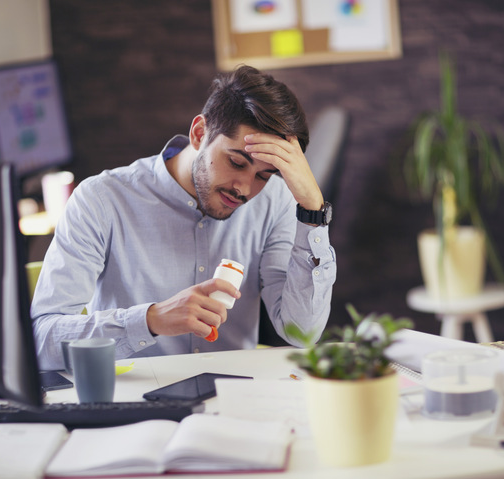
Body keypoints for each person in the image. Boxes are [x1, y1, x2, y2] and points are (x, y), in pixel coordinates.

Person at [31, 65, 337, 370]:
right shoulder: (102, 200)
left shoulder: (276, 202)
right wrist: (150, 320)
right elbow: (41, 341)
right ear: (200, 133)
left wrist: (313, 210)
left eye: (264, 175)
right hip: (134, 404)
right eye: (235, 162)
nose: (244, 189)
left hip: (232, 400)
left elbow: (303, 332)